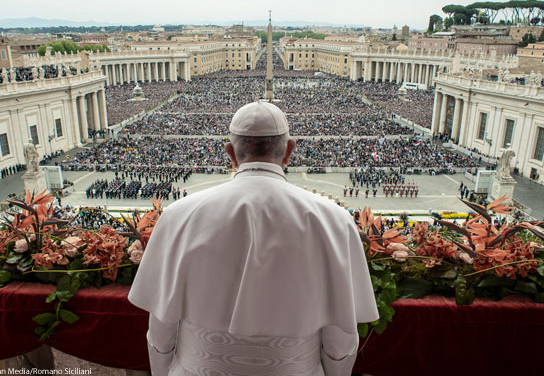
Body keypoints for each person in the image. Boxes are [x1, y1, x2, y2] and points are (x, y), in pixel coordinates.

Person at [129, 101, 378, 376]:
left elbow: (161, 329)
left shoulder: (178, 215)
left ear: (230, 153)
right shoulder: (335, 220)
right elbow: (340, 337)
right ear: (289, 151)